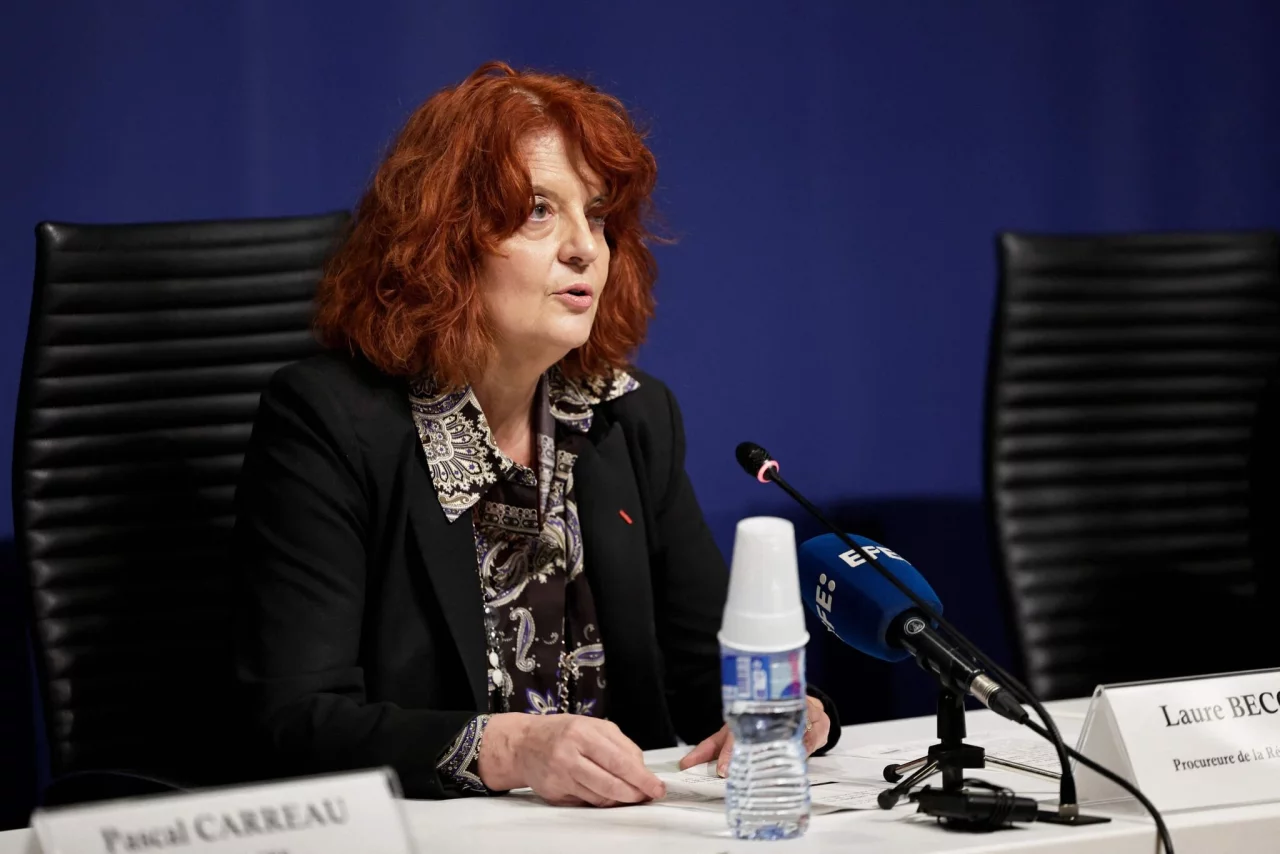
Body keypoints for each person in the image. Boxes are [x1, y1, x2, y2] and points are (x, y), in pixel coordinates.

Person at [232, 61, 839, 807]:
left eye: (597, 215)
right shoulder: (330, 423)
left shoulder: (627, 417)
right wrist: (513, 748)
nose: (585, 247)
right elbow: (295, 721)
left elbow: (708, 669)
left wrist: (786, 713)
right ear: (444, 241)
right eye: (539, 212)